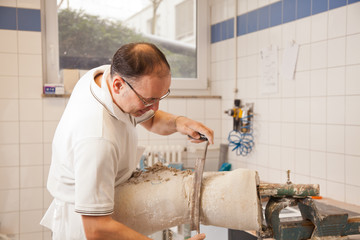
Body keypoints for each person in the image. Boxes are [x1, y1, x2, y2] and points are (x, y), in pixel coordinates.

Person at [40, 42, 213, 240]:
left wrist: (178, 122)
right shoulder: (97, 139)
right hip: (85, 228)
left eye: (160, 97)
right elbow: (96, 229)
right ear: (118, 85)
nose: (155, 107)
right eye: (148, 100)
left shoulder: (105, 77)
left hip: (105, 212)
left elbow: (151, 119)